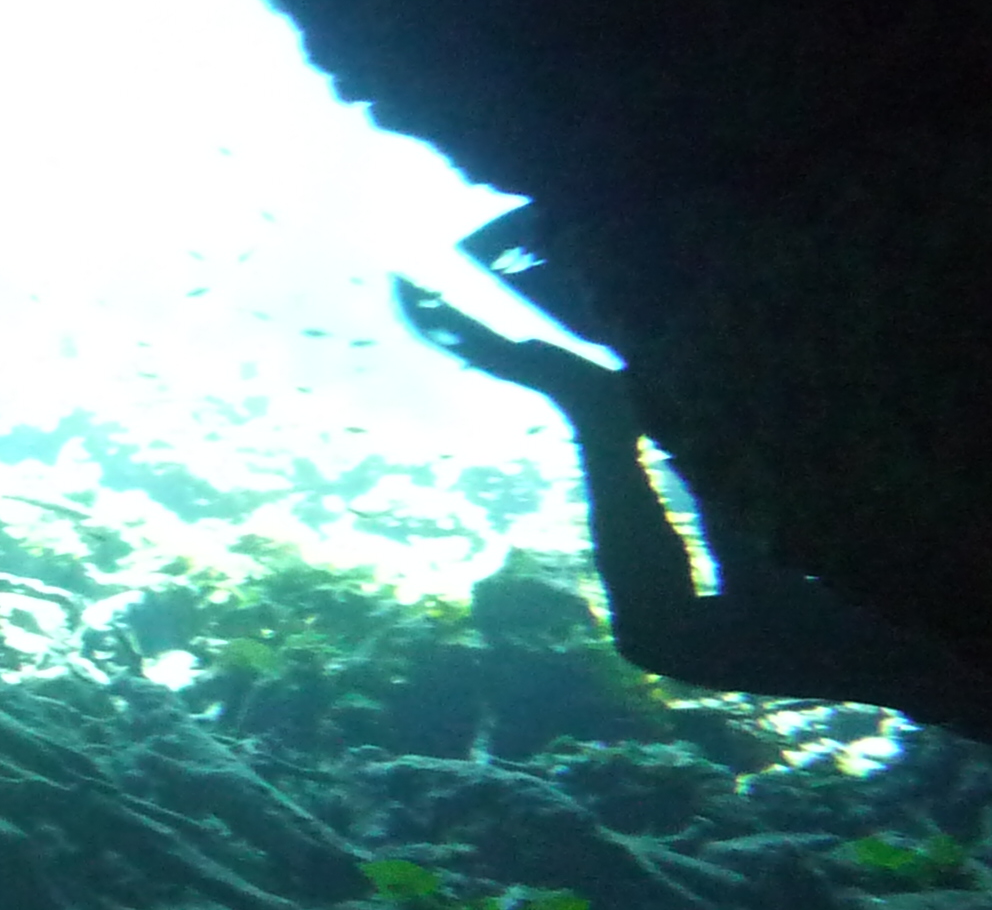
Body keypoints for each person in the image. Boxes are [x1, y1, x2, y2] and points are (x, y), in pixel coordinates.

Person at [392, 275, 992, 737]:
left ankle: (642, 412)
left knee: (717, 603)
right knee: (712, 606)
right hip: (947, 659)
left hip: (942, 664)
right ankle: (646, 413)